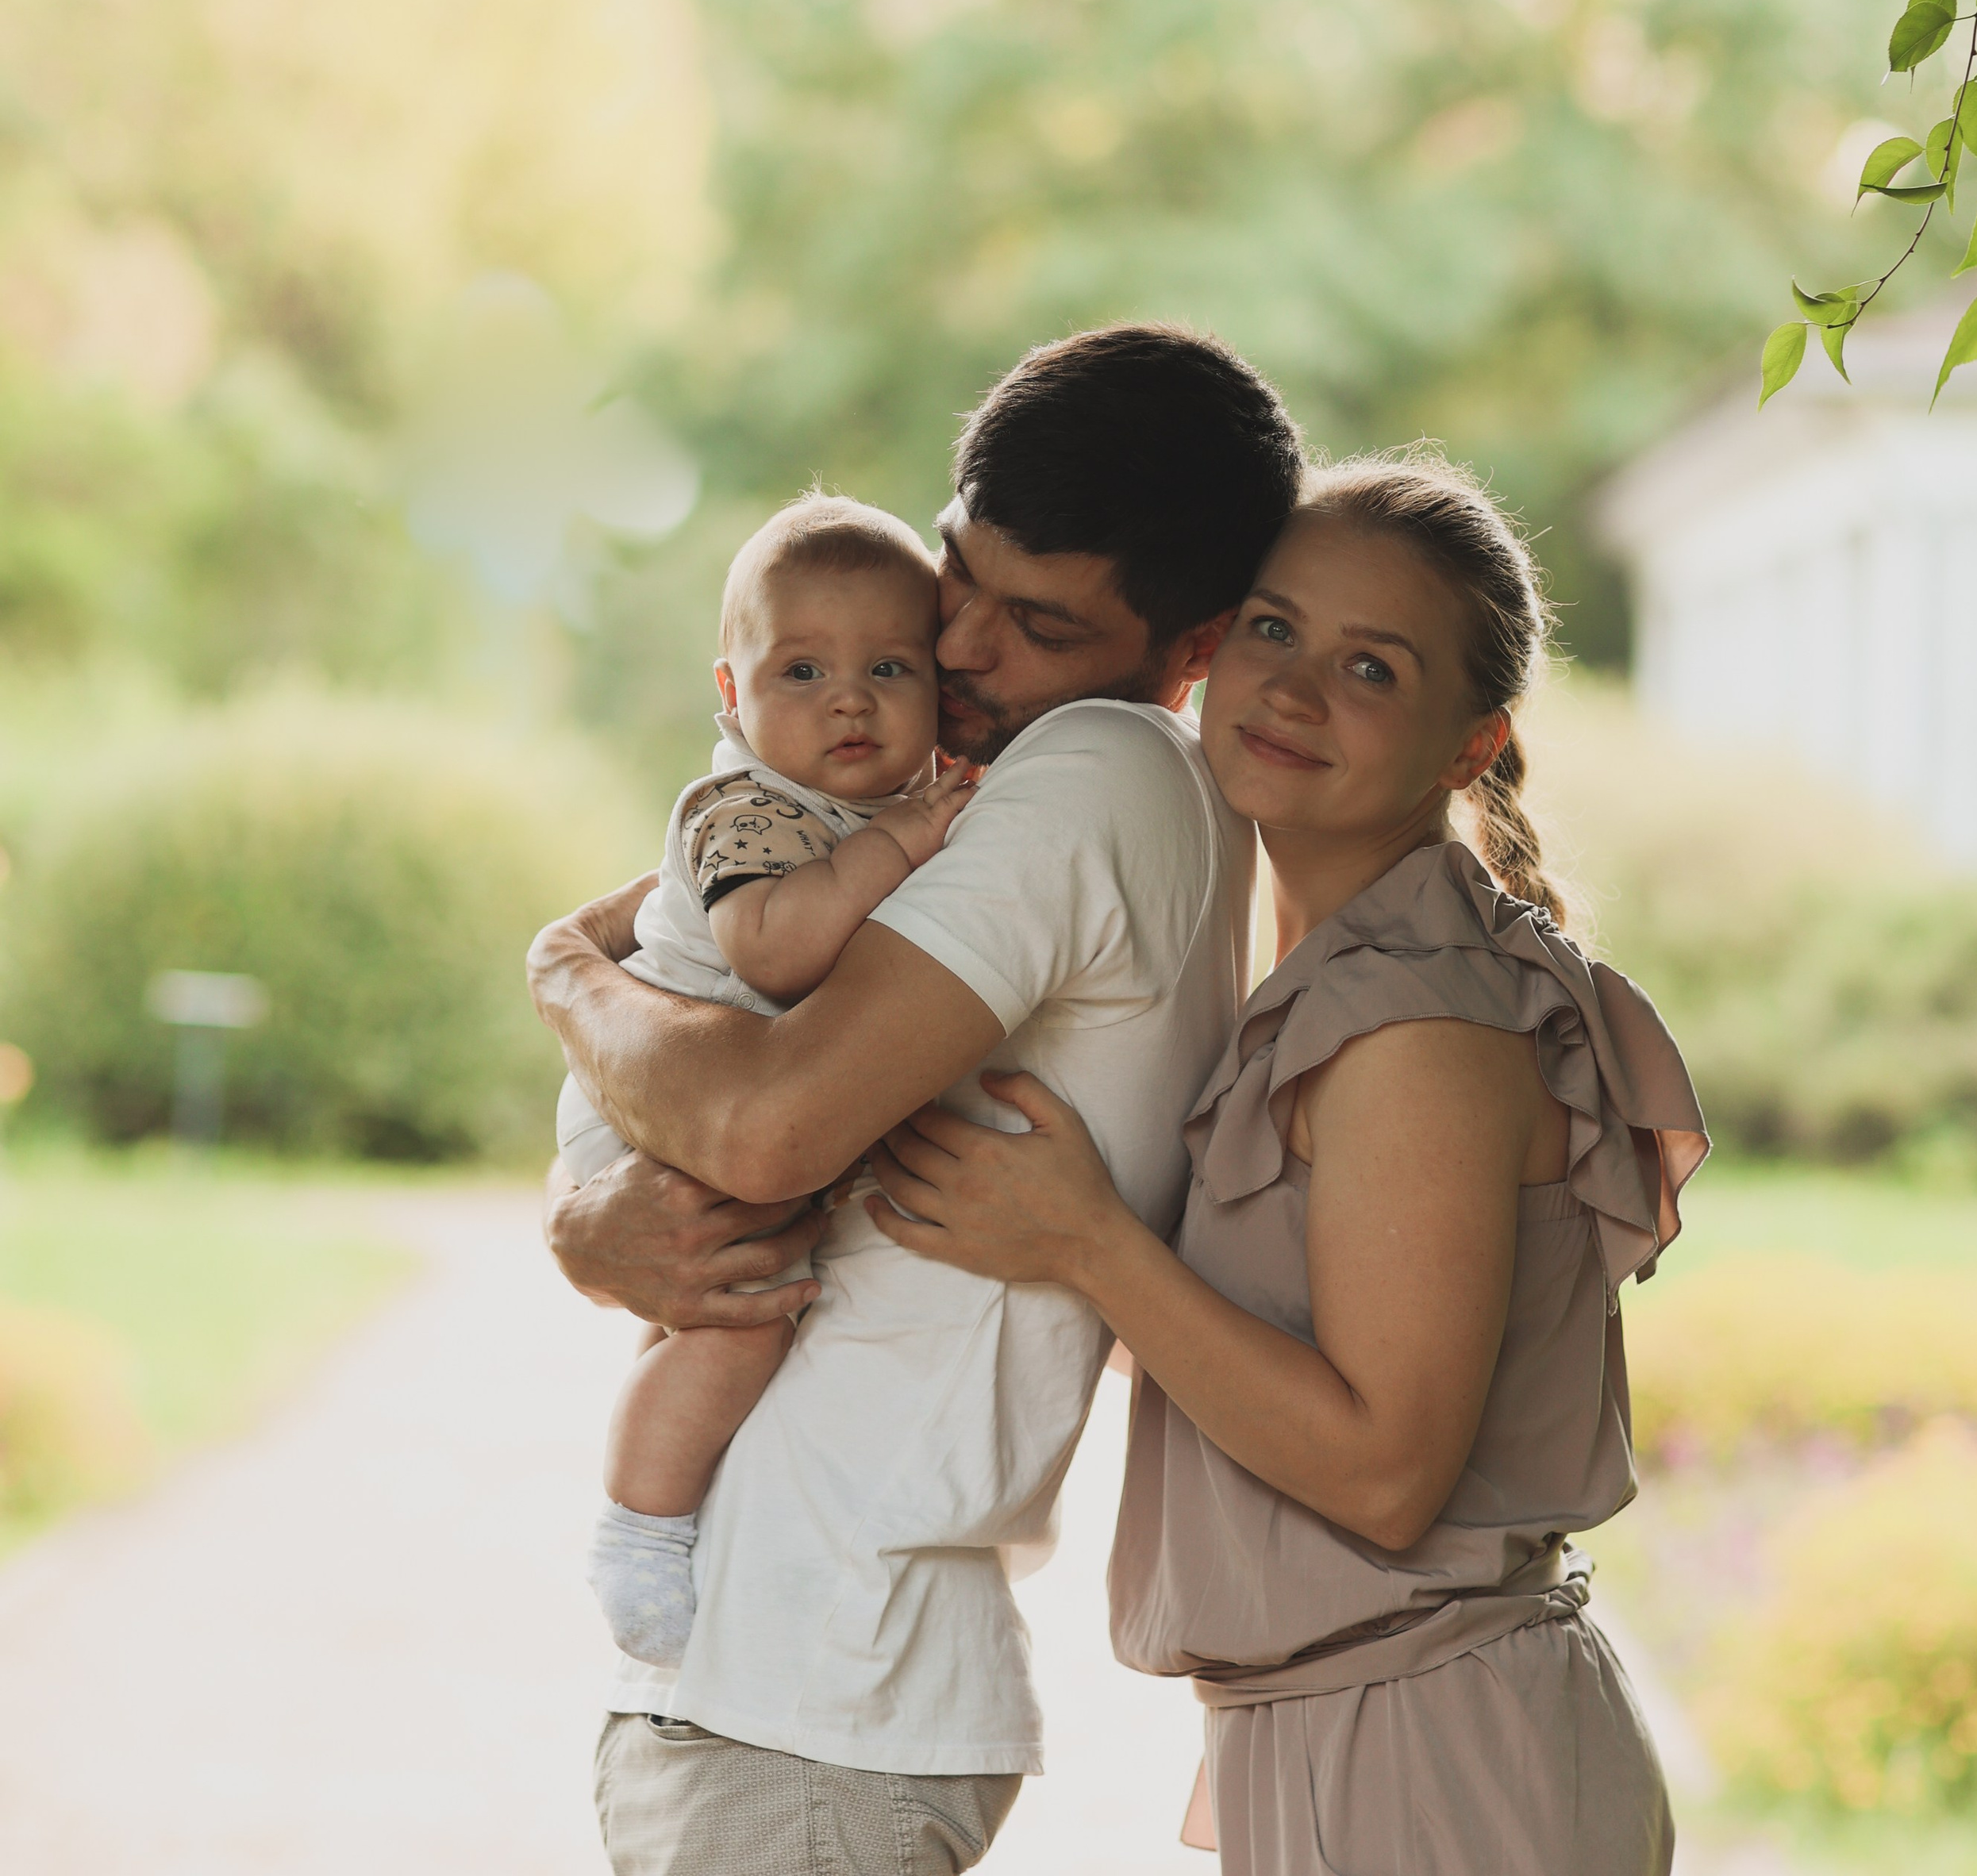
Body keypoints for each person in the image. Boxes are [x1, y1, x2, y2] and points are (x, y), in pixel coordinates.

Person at [529, 324, 1306, 1875]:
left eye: (1037, 624)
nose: (954, 652)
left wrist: (561, 977)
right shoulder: (957, 781)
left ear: (1195, 644)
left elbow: (760, 1125)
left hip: (821, 1695)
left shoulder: (1093, 769)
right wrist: (587, 1212)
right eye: (959, 579)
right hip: (794, 1688)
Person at [867, 453, 1709, 1876]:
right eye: (1273, 628)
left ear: (1470, 743)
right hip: (1376, 1734)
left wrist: (1089, 1243)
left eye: (1371, 668)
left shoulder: (1417, 1024)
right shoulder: (1329, 977)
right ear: (1207, 652)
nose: (1297, 689)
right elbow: (1266, 1363)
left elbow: (1384, 1471)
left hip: (1436, 1758)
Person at [560, 494, 977, 1670]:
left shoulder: (866, 801)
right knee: (744, 1318)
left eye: (890, 665)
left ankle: (653, 1492)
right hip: (648, 1107)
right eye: (801, 669)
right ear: (732, 696)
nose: (850, 697)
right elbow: (776, 950)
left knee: (724, 1310)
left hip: (706, 1099)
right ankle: (641, 1528)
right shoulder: (739, 810)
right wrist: (896, 846)